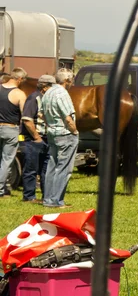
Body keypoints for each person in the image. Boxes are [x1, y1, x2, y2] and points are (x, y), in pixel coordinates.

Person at [41, 68, 79, 208]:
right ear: (67, 80)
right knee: (64, 168)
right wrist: (74, 131)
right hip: (65, 134)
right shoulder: (62, 93)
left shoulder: (48, 92)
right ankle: (56, 200)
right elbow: (68, 117)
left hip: (52, 133)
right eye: (71, 80)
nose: (72, 83)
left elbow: (41, 114)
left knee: (52, 166)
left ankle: (47, 199)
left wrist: (50, 126)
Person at [20, 75, 56, 203]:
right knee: (31, 169)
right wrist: (37, 138)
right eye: (52, 86)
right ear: (45, 87)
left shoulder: (47, 98)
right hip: (33, 140)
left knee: (45, 170)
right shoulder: (33, 98)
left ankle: (46, 196)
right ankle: (29, 197)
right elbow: (27, 120)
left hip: (46, 139)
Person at [0, 68, 27, 198]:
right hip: (10, 129)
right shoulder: (19, 94)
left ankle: (3, 187)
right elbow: (25, 115)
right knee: (7, 160)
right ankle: (0, 189)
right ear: (20, 79)